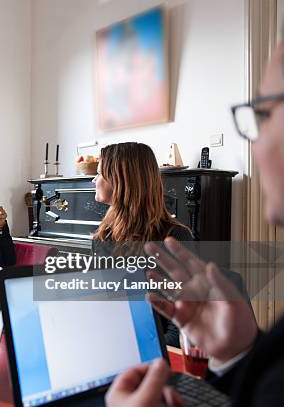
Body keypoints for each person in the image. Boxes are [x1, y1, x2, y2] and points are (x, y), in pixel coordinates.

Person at [106, 38, 284, 407]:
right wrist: (239, 353)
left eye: (264, 114)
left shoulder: (175, 238)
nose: (254, 143)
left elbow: (172, 328)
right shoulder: (105, 233)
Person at [92, 142, 193, 347]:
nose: (93, 180)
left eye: (100, 174)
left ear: (121, 181)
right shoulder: (102, 237)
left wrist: (147, 352)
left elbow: (180, 327)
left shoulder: (176, 237)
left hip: (157, 351)